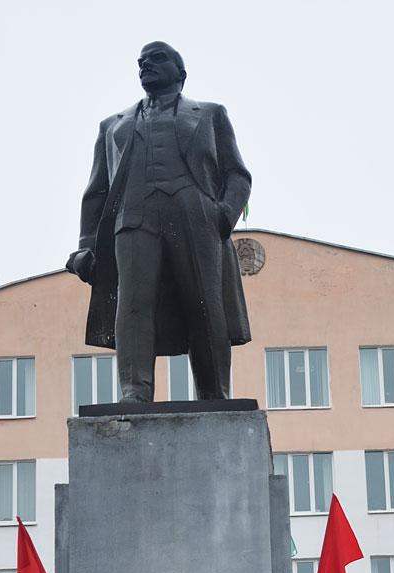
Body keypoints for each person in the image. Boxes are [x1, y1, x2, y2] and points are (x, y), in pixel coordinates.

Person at [66, 40, 251, 402]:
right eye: (140, 62)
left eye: (156, 59)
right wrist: (86, 245)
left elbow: (237, 174)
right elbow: (96, 191)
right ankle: (135, 391)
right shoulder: (112, 126)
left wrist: (223, 215)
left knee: (204, 300)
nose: (144, 66)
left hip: (195, 216)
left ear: (180, 73)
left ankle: (214, 393)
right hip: (133, 219)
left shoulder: (211, 114)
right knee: (133, 303)